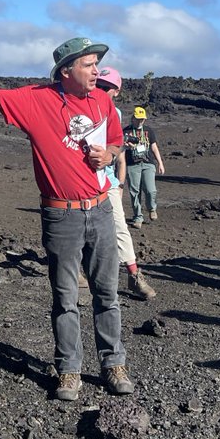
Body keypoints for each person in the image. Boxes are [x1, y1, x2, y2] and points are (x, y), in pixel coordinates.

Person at [0, 37, 135, 401]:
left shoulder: (102, 99)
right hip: (61, 214)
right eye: (88, 65)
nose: (96, 71)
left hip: (101, 208)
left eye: (96, 64)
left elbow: (117, 140)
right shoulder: (38, 99)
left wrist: (110, 154)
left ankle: (113, 363)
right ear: (66, 70)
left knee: (107, 293)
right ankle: (69, 370)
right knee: (65, 296)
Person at [95, 67, 157, 300]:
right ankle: (80, 274)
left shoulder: (116, 114)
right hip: (83, 179)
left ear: (116, 91)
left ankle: (133, 275)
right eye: (98, 85)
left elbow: (117, 149)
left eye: (105, 87)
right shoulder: (80, 105)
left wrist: (119, 183)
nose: (100, 90)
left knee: (120, 226)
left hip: (106, 179)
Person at [124, 106, 165, 225]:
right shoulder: (125, 131)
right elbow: (119, 148)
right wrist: (127, 146)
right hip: (132, 164)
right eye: (138, 119)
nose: (140, 121)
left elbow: (154, 147)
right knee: (134, 191)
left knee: (150, 189)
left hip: (148, 163)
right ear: (133, 118)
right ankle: (138, 217)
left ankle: (152, 208)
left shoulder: (149, 131)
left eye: (142, 119)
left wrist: (160, 163)